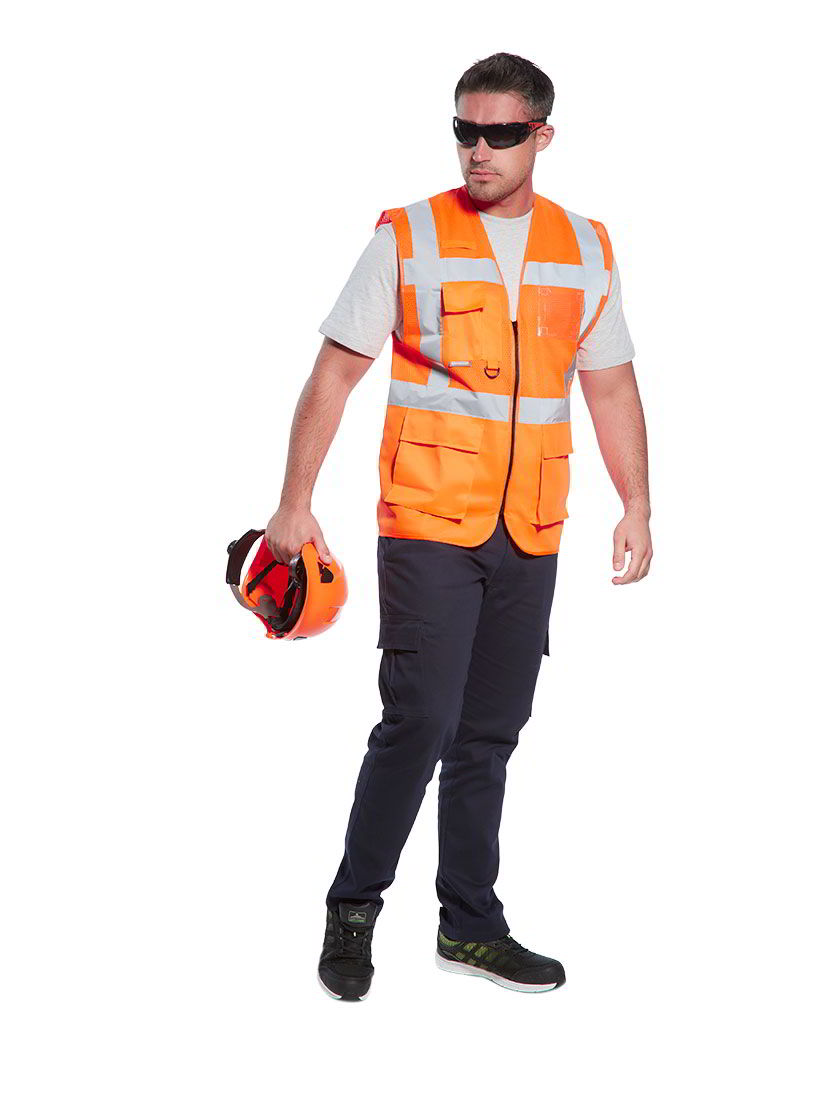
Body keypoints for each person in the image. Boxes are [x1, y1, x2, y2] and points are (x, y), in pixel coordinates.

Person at [261, 52, 653, 1000]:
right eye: (466, 131)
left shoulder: (585, 245)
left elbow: (608, 385)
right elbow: (334, 373)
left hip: (531, 526)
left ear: (542, 136)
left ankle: (470, 925)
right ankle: (354, 909)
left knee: (490, 732)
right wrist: (295, 501)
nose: (480, 149)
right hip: (430, 518)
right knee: (421, 721)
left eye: (501, 133)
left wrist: (637, 501)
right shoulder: (409, 237)